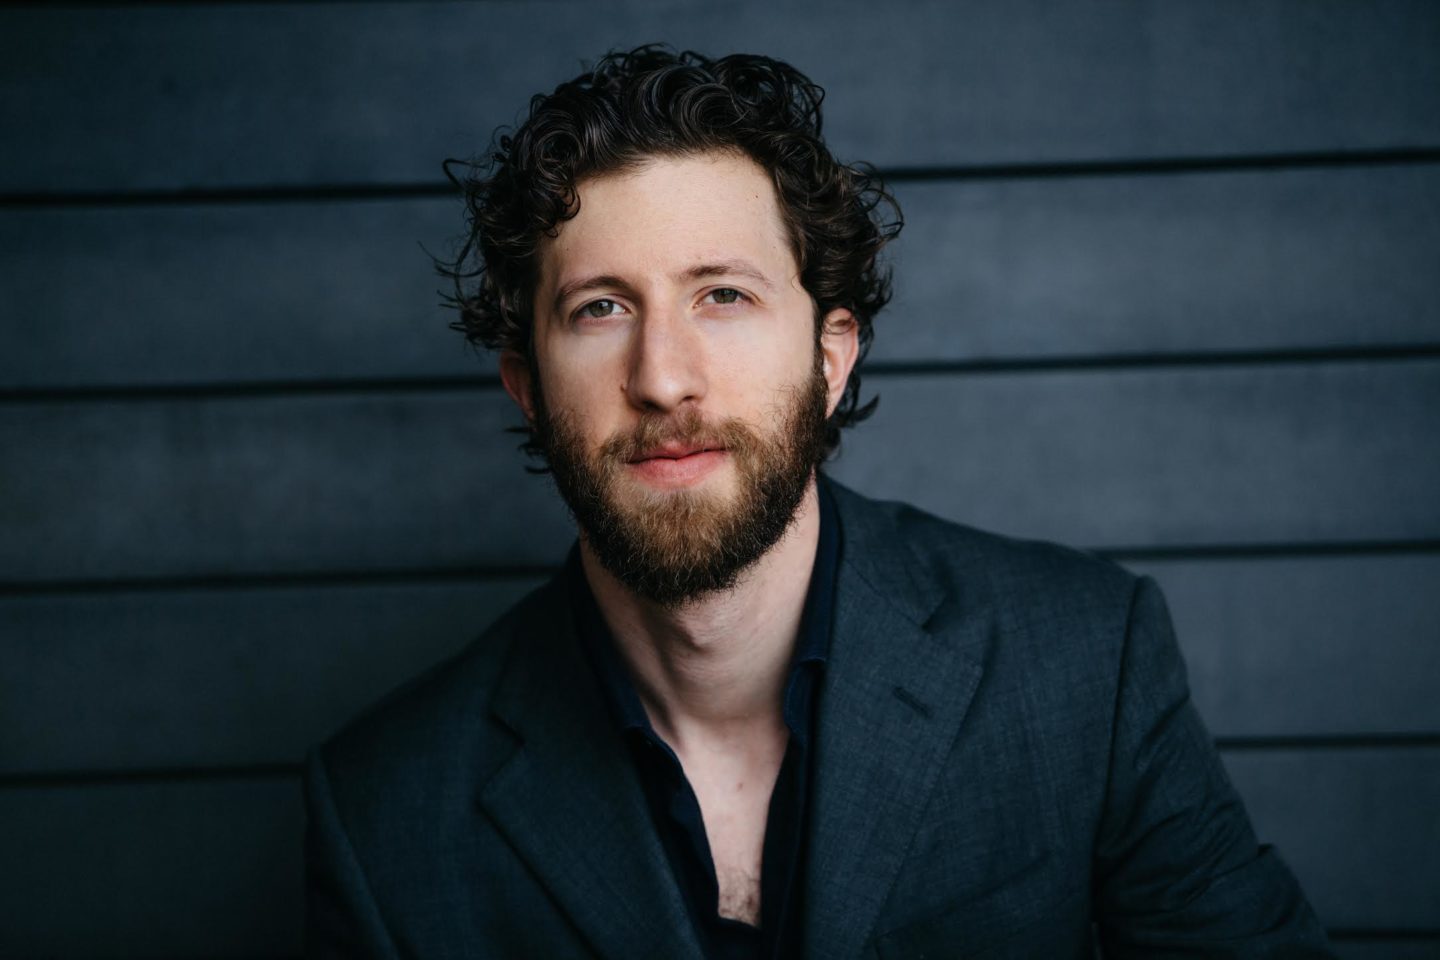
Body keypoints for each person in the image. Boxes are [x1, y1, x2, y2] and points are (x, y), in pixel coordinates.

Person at [304, 45, 1333, 959]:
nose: (663, 377)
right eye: (601, 308)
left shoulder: (1081, 664)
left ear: (829, 358)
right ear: (528, 387)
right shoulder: (385, 811)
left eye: (724, 295)